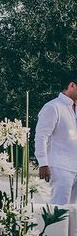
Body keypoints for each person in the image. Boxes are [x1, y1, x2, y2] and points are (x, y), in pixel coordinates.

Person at [34, 72, 77, 204]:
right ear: (72, 85)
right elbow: (41, 136)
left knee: (74, 214)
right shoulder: (53, 107)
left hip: (75, 167)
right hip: (60, 168)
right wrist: (43, 163)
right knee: (59, 211)